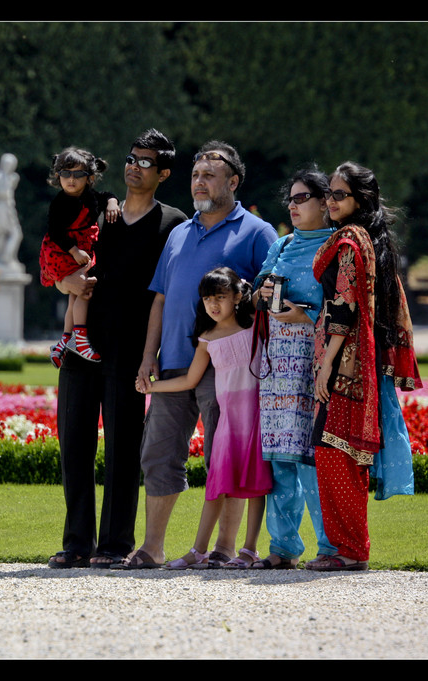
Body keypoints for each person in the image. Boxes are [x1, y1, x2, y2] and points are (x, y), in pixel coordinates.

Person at [119, 141, 276, 570]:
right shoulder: (178, 233)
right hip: (172, 361)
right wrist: (148, 356)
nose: (199, 181)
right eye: (195, 174)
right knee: (158, 452)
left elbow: (271, 297)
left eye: (209, 174)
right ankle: (152, 548)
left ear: (233, 181)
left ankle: (224, 549)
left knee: (223, 454)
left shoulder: (258, 233)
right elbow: (160, 300)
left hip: (226, 368)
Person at [47, 129, 187, 569]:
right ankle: (76, 543)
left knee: (124, 446)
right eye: (131, 158)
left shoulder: (173, 224)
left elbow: (170, 293)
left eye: (145, 162)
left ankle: (114, 545)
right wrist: (59, 280)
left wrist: (155, 354)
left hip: (131, 347)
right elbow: (56, 252)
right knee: (73, 443)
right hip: (83, 345)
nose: (134, 166)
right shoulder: (96, 214)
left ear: (163, 173)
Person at [305, 161, 420, 571]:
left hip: (343, 366)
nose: (331, 201)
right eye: (330, 194)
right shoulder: (370, 240)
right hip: (355, 364)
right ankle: (347, 548)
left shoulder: (351, 243)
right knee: (338, 455)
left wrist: (326, 364)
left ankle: (351, 551)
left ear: (360, 199)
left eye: (340, 195)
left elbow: (344, 305)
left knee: (336, 455)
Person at [135, 268, 272, 570]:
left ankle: (249, 550)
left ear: (237, 296)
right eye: (208, 299)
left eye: (220, 298)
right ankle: (199, 550)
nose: (213, 305)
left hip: (257, 420)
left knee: (256, 484)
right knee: (217, 483)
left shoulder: (256, 326)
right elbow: (189, 380)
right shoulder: (206, 339)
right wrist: (152, 386)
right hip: (228, 423)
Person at [251, 167, 337, 569]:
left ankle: (331, 547)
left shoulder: (337, 246)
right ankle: (283, 547)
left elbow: (349, 308)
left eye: (302, 198)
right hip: (275, 363)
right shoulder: (283, 244)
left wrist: (307, 315)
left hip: (317, 360)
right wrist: (263, 291)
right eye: (291, 199)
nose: (293, 205)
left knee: (312, 457)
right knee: (279, 457)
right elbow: (254, 295)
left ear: (325, 203)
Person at [38, 147, 120, 365]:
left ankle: (64, 341)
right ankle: (80, 339)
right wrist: (74, 250)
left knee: (74, 296)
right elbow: (55, 232)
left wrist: (112, 202)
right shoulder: (60, 202)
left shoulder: (90, 196)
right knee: (83, 291)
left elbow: (106, 196)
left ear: (90, 178)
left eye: (78, 175)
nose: (71, 180)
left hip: (75, 251)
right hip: (62, 251)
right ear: (58, 176)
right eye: (65, 174)